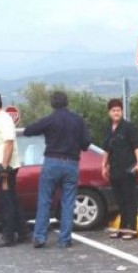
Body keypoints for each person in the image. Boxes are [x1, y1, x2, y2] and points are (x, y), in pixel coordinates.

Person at [24, 91, 92, 248]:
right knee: (68, 203)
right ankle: (65, 239)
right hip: (71, 164)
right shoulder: (78, 120)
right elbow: (86, 143)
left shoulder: (50, 120)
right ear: (67, 102)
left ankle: (40, 237)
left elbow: (28, 131)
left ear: (52, 104)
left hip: (52, 162)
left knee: (45, 200)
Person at [0, 90, 29, 248]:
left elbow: (9, 143)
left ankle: (8, 236)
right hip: (1, 164)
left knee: (6, 202)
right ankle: (23, 232)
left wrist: (3, 165)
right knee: (12, 199)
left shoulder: (4, 119)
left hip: (6, 168)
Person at [103, 99, 138, 240]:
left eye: (118, 110)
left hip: (128, 169)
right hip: (114, 170)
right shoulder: (108, 129)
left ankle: (132, 228)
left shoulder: (128, 127)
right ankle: (122, 227)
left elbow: (137, 146)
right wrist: (104, 165)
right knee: (119, 200)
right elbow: (107, 150)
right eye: (113, 110)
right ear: (109, 112)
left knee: (130, 199)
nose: (116, 113)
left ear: (122, 111)